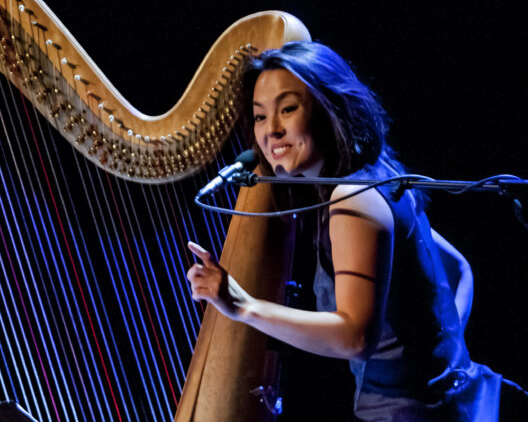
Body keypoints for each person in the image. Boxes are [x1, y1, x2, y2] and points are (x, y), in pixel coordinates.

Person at [186, 42, 501, 420]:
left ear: (329, 109)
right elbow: (458, 269)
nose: (271, 131)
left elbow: (355, 337)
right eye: (259, 117)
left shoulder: (352, 198)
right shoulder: (379, 177)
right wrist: (442, 362)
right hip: (458, 403)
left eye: (288, 109)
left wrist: (242, 306)